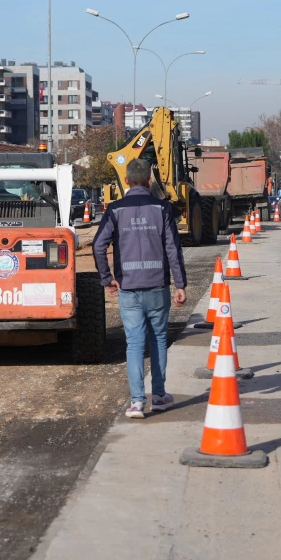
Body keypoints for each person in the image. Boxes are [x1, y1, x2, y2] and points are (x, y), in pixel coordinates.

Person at [93, 158, 187, 419]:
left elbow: (99, 245)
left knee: (134, 344)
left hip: (129, 288)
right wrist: (180, 284)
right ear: (149, 181)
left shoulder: (115, 210)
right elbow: (172, 248)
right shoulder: (162, 208)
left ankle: (137, 403)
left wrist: (107, 278)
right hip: (158, 287)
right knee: (158, 340)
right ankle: (159, 397)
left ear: (125, 181)